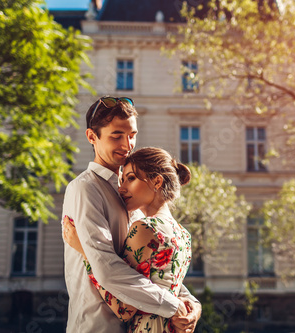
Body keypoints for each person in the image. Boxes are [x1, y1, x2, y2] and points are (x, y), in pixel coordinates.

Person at [61, 97, 200, 333]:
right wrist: (173, 305)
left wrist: (192, 306)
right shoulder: (85, 188)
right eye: (117, 136)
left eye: (132, 135)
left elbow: (149, 269)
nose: (128, 145)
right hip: (97, 327)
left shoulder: (132, 196)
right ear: (92, 137)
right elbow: (106, 267)